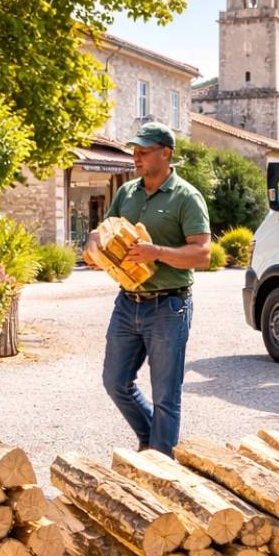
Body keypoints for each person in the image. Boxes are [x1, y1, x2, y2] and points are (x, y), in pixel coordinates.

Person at [85, 122, 211, 456]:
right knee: (115, 382)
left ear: (166, 153)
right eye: (134, 152)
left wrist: (157, 253)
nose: (136, 158)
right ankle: (154, 443)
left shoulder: (187, 197)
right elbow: (102, 229)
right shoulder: (127, 192)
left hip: (169, 307)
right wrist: (93, 246)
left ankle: (160, 464)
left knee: (166, 396)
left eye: (143, 151)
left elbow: (202, 255)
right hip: (128, 303)